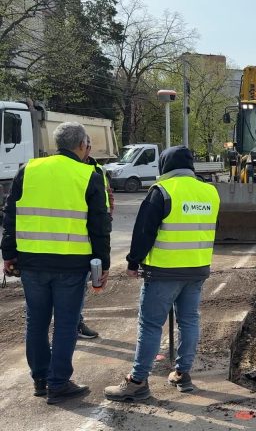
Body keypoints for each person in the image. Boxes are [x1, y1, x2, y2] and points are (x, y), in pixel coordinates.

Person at [1, 122, 111, 404]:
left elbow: (10, 215)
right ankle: (58, 383)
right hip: (70, 265)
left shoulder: (29, 169)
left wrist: (8, 254)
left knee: (36, 322)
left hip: (32, 263)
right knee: (65, 323)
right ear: (82, 145)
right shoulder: (88, 175)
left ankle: (40, 379)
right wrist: (103, 264)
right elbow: (99, 225)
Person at [104, 146, 220, 401]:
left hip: (164, 272)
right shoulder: (210, 192)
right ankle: (182, 373)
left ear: (164, 166)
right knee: (189, 320)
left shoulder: (162, 191)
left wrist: (133, 262)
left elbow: (144, 231)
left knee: (150, 325)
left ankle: (137, 381)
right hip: (197, 268)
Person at [78, 136, 115, 339]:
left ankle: (75, 320)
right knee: (77, 281)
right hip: (79, 232)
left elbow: (107, 193)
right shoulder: (70, 170)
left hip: (98, 229)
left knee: (85, 279)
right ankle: (74, 321)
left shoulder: (98, 170)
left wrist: (108, 214)